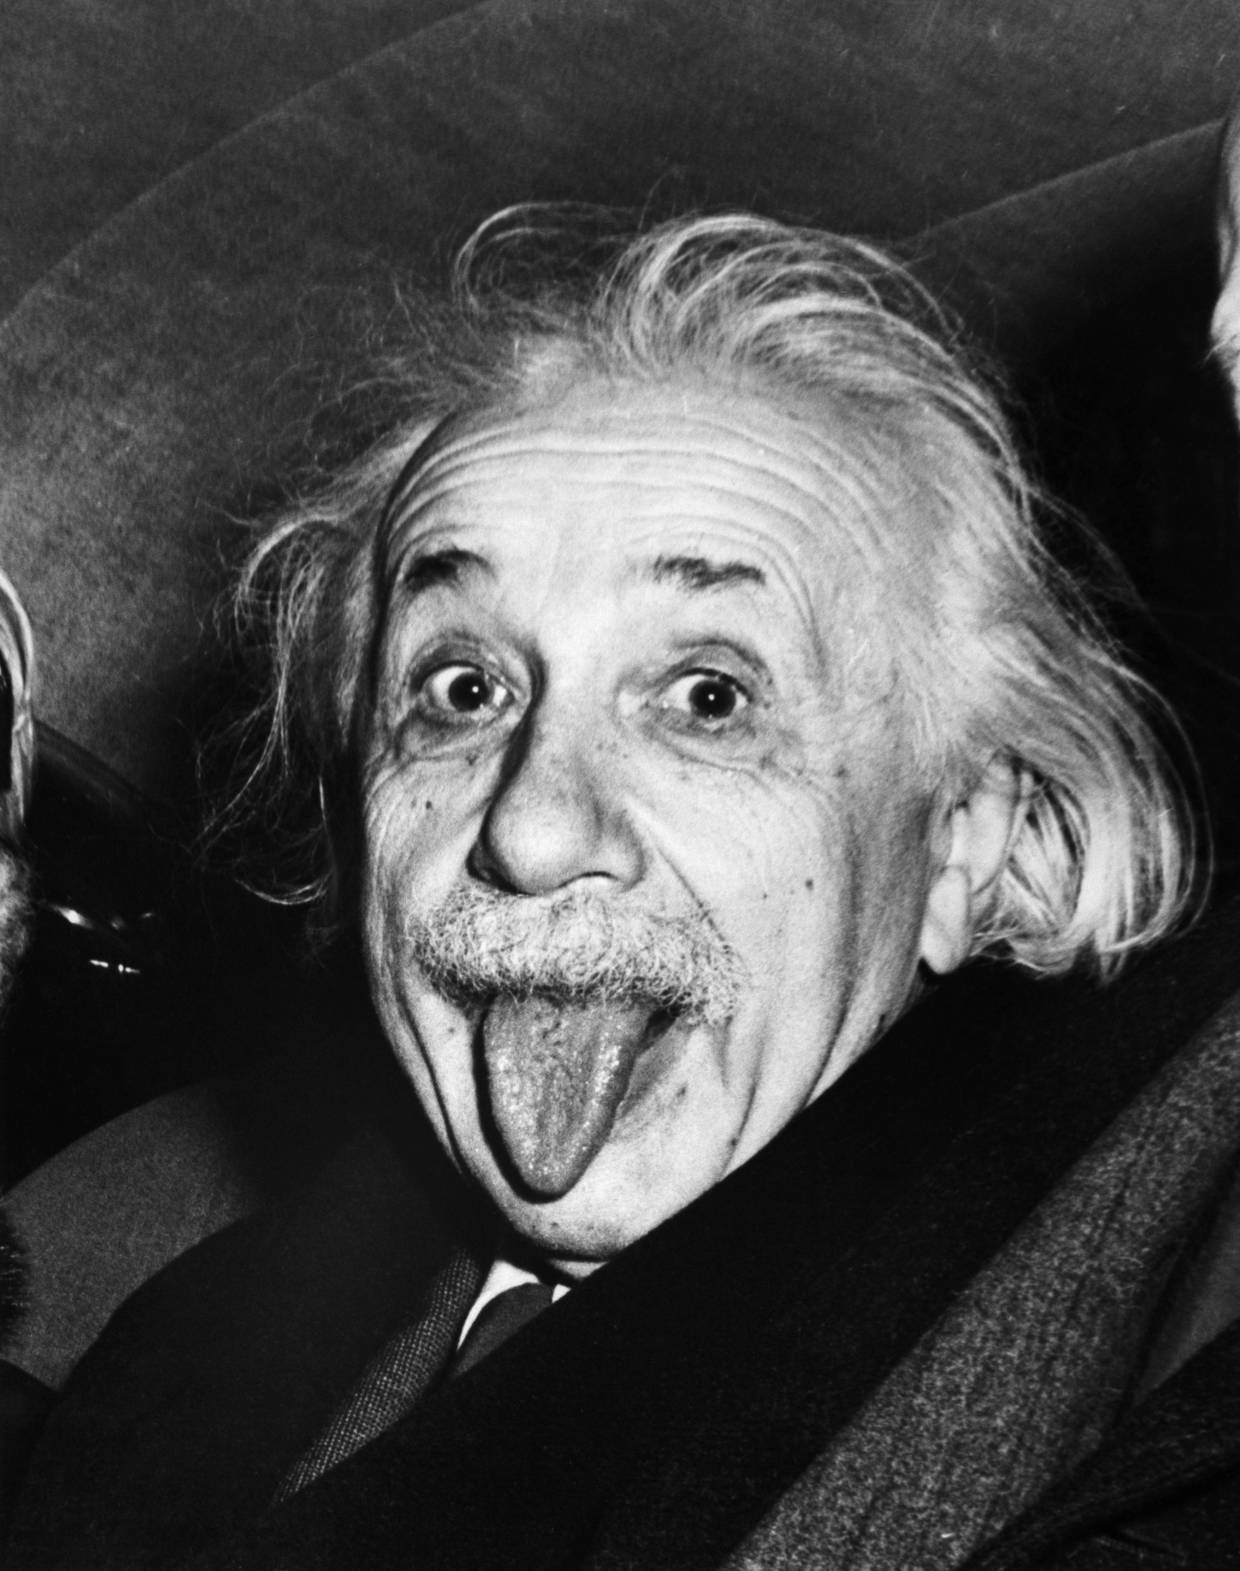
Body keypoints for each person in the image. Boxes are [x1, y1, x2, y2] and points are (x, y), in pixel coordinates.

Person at [8, 211, 1240, 1571]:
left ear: (964, 846)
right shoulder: (180, 1339)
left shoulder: (1069, 1394)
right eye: (462, 689)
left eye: (709, 696)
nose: (533, 829)